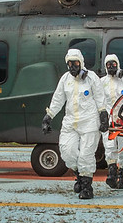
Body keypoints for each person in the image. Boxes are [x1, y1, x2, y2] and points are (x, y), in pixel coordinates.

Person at [42, 48, 109, 199]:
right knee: (67, 151)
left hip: (89, 122)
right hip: (71, 121)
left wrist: (104, 116)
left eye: (75, 63)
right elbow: (58, 98)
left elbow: (100, 97)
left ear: (81, 63)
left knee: (86, 154)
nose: (73, 66)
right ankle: (79, 175)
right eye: (70, 63)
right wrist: (49, 115)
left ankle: (87, 186)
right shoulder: (65, 79)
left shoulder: (91, 78)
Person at [100, 54, 123, 189]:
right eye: (108, 64)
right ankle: (112, 174)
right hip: (109, 119)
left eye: (113, 64)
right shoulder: (102, 82)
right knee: (109, 146)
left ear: (118, 64)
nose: (111, 67)